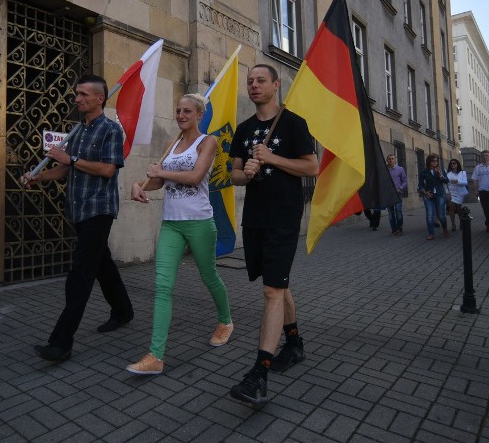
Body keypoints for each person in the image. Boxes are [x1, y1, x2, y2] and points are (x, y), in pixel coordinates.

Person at [21, 74, 134, 362]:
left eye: (84, 94)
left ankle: (61, 343)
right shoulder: (77, 131)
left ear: (99, 98)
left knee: (80, 274)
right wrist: (37, 177)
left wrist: (69, 159)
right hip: (78, 208)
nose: (77, 98)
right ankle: (123, 310)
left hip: (99, 209)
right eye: (76, 94)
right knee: (102, 264)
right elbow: (63, 170)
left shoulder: (110, 130)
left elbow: (108, 170)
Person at [227, 64, 319, 405]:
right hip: (254, 218)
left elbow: (312, 167)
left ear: (276, 85)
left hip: (283, 217)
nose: (253, 85)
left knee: (271, 292)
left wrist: (271, 158)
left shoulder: (293, 123)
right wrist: (247, 172)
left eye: (260, 80)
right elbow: (233, 175)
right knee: (277, 283)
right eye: (249, 81)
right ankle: (294, 344)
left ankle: (258, 375)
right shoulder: (244, 128)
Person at [125, 94, 233, 375]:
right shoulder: (170, 144)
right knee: (162, 285)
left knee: (209, 275)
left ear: (199, 114)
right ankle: (156, 356)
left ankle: (226, 321)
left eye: (187, 111)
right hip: (171, 223)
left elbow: (196, 176)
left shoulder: (207, 142)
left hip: (199, 221)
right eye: (178, 110)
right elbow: (159, 181)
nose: (181, 115)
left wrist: (162, 171)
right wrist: (139, 184)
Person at [418, 153, 449, 240]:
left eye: (436, 161)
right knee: (429, 214)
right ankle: (431, 233)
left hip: (440, 194)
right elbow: (420, 185)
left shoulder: (441, 170)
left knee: (441, 215)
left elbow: (446, 181)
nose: (435, 162)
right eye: (433, 161)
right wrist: (425, 193)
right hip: (428, 195)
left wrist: (440, 175)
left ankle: (445, 229)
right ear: (429, 162)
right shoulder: (424, 172)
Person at [386, 154, 408, 236]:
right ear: (387, 160)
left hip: (398, 193)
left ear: (395, 160)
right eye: (389, 159)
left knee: (398, 210)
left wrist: (401, 188)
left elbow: (405, 181)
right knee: (390, 213)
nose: (391, 160)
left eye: (392, 159)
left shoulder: (400, 169)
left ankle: (399, 227)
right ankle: (394, 229)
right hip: (388, 194)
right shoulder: (384, 170)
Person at [445, 158, 468, 231]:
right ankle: (453, 224)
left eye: (454, 163)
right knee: (451, 206)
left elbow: (465, 182)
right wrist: (447, 193)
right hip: (451, 193)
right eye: (451, 163)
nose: (452, 164)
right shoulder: (448, 174)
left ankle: (461, 220)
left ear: (457, 164)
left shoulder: (462, 172)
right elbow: (445, 184)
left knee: (458, 208)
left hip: (460, 193)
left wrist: (457, 181)